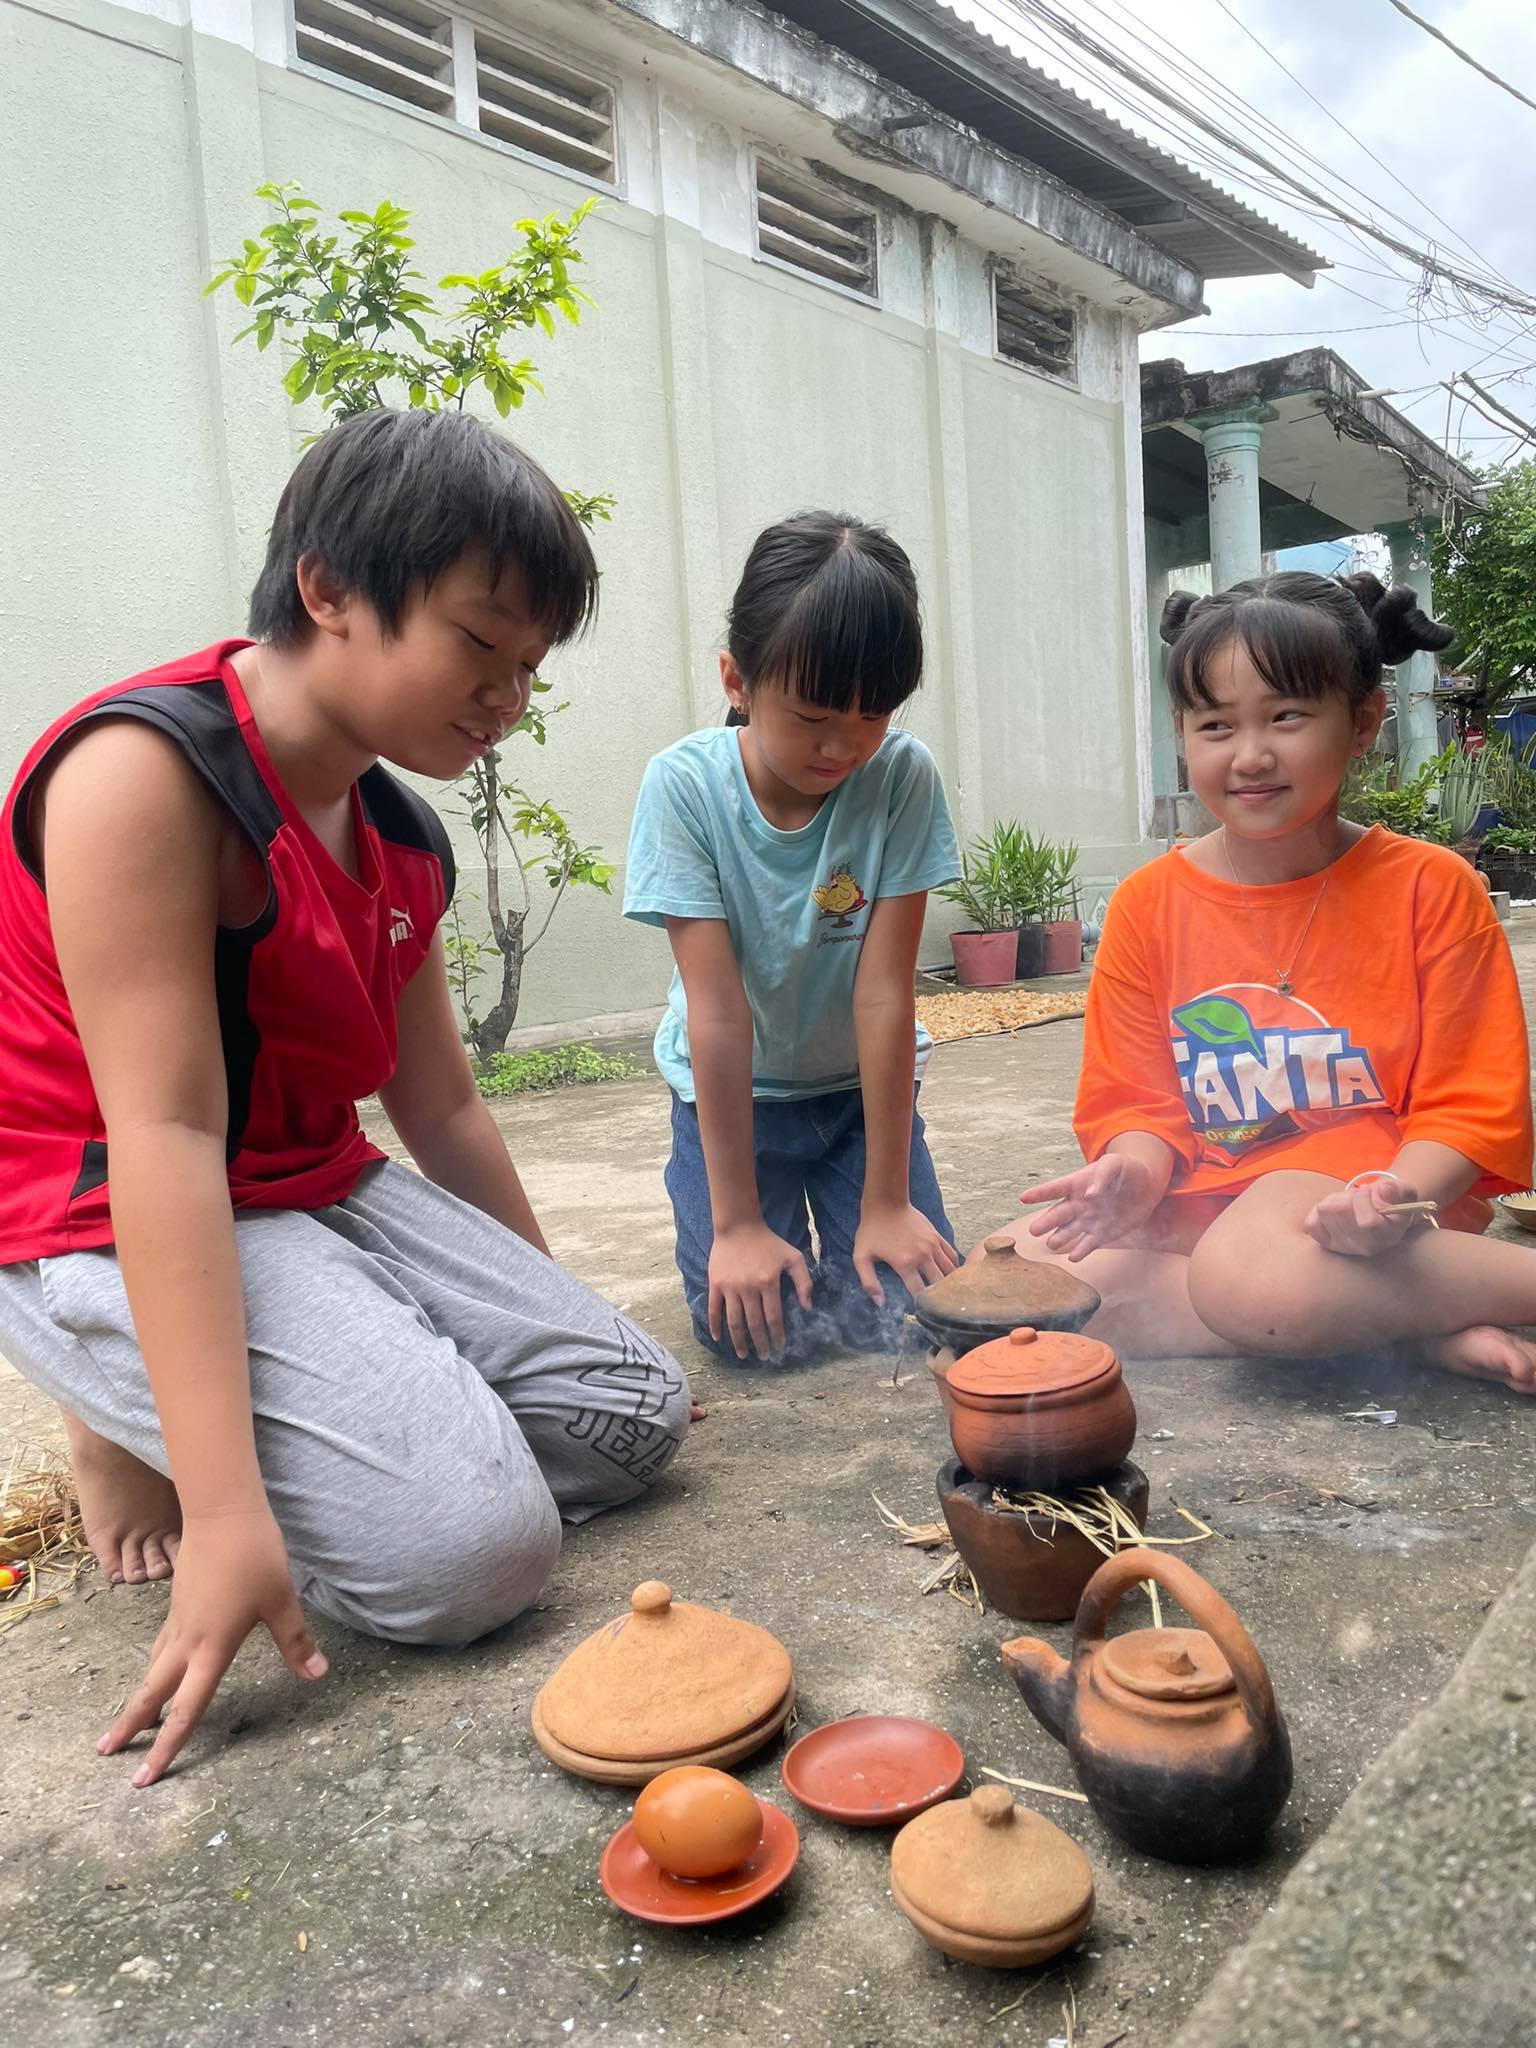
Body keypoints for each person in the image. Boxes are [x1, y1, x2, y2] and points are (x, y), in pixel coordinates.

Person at [0, 409, 692, 1788]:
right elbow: (166, 1133)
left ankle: (366, 1434)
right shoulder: (145, 775)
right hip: (96, 1204)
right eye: (480, 643)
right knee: (478, 1556)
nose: (506, 695)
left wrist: (546, 1316)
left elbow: (438, 1116)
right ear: (326, 590)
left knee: (634, 1408)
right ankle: (120, 1413)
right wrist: (228, 1504)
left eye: (530, 666)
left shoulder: (396, 835)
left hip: (305, 1181)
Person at [991, 570, 1536, 1393]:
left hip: (1374, 1207)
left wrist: (1392, 1197)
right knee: (1007, 1280)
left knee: (1251, 1277)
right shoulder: (1148, 904)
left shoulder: (1430, 887)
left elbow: (1471, 1102)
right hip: (1207, 1204)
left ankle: (1390, 1300)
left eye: (1286, 716)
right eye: (1215, 725)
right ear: (1183, 733)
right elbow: (1136, 1104)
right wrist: (1131, 1174)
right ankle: (1401, 1327)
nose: (1250, 756)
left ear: (1362, 721)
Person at [624, 512, 961, 1364]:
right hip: (736, 1101)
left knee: (912, 1318)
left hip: (857, 1098)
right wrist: (736, 1224)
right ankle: (754, 1222)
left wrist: (887, 1201)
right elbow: (719, 1011)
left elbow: (885, 991)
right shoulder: (685, 788)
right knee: (747, 1330)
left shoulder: (901, 777)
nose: (843, 744)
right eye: (811, 713)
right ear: (738, 679)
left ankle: (856, 1214)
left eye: (873, 713)